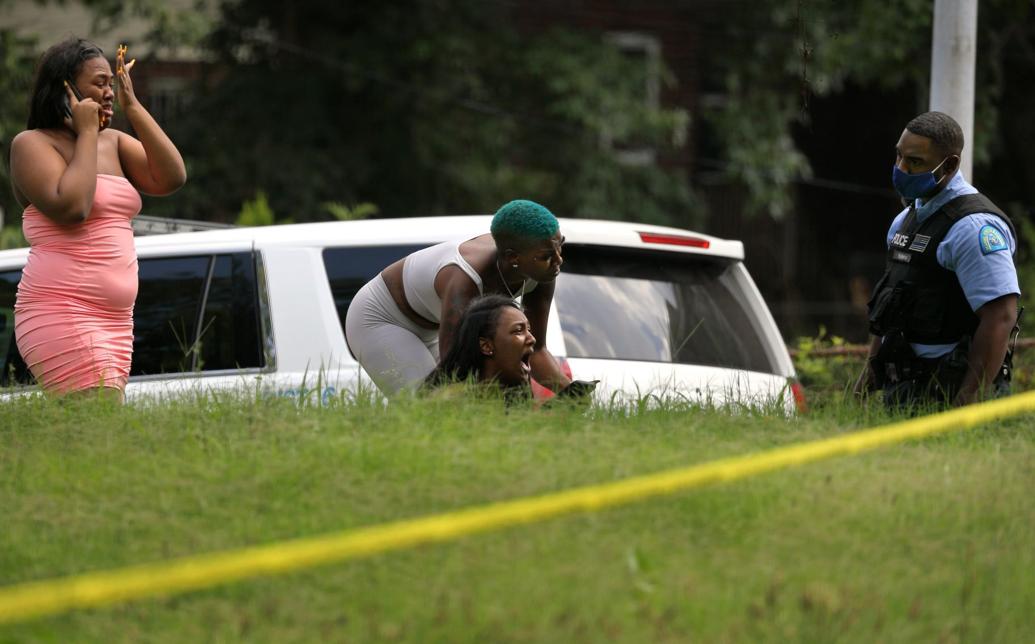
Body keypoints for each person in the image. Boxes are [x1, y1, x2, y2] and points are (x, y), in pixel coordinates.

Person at [10, 38, 186, 398]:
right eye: (100, 83)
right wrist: (87, 131)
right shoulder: (32, 144)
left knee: (96, 435)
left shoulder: (115, 142)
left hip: (116, 320)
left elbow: (171, 177)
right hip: (62, 308)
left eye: (112, 82)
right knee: (101, 421)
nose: (109, 92)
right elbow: (73, 208)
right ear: (66, 89)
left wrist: (133, 106)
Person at [855, 111, 1020, 409]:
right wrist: (863, 386)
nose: (901, 169)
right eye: (899, 157)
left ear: (951, 164)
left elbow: (1001, 317)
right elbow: (891, 312)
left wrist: (966, 405)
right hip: (904, 390)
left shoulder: (973, 228)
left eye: (915, 162)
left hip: (953, 389)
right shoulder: (905, 221)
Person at [346, 199, 572, 395]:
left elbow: (537, 350)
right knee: (430, 405)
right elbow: (456, 366)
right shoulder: (465, 277)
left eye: (560, 248)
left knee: (465, 401)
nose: (558, 260)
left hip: (432, 325)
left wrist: (571, 393)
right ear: (513, 257)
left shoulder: (542, 270)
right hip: (381, 318)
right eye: (546, 256)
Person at [424, 294, 536, 395]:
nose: (532, 339)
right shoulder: (451, 400)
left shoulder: (517, 398)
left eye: (529, 330)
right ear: (486, 346)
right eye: (518, 330)